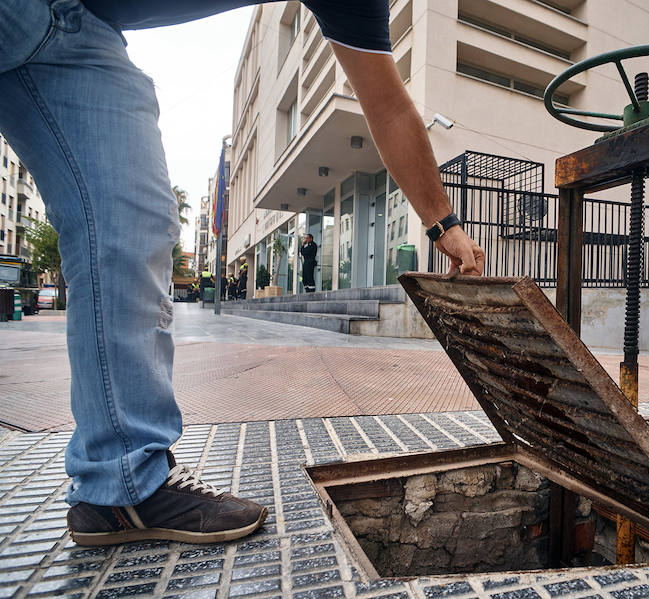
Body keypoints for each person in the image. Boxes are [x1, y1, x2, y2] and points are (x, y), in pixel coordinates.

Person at [0, 0, 484, 547]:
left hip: (76, 32)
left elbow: (390, 107)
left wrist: (443, 224)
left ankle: (123, 487)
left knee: (130, 222)